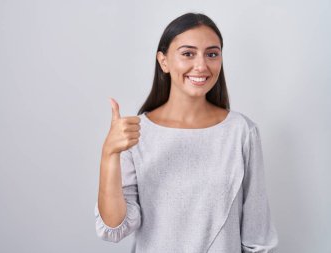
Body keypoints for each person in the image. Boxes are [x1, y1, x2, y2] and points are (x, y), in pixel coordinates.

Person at [94, 12, 279, 253]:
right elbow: (115, 226)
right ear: (164, 61)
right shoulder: (135, 134)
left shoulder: (241, 132)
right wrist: (109, 154)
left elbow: (258, 235)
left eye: (212, 54)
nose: (201, 65)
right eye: (188, 54)